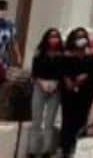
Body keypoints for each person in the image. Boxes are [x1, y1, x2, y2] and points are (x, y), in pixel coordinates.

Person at [60, 27, 93, 158]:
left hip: (85, 92)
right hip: (68, 92)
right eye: (78, 37)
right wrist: (69, 82)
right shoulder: (66, 55)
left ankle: (77, 147)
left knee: (81, 119)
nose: (81, 39)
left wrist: (83, 79)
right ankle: (65, 148)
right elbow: (62, 71)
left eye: (83, 36)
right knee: (68, 119)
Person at [27, 28, 65, 158]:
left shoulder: (63, 54)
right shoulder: (39, 53)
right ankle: (32, 150)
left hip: (55, 88)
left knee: (49, 121)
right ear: (46, 38)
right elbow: (34, 71)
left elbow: (63, 73)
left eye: (56, 37)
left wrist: (56, 84)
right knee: (36, 119)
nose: (54, 39)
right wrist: (41, 82)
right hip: (40, 86)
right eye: (51, 37)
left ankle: (46, 150)